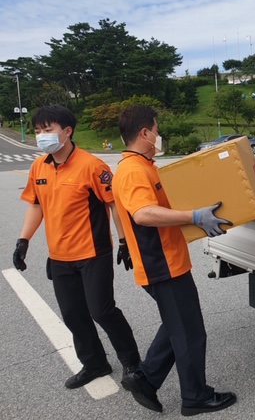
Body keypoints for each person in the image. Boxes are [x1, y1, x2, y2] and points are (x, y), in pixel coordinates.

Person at [113, 105, 236, 416]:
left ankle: (145, 379)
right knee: (189, 331)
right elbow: (143, 213)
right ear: (144, 133)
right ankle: (195, 397)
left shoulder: (145, 165)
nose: (159, 135)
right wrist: (194, 217)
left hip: (167, 260)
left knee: (178, 324)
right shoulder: (133, 170)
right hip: (161, 264)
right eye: (156, 129)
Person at [12, 105, 141, 389]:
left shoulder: (92, 166)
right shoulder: (39, 167)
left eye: (48, 130)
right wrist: (23, 241)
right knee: (73, 314)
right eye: (38, 130)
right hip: (59, 256)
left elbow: (114, 204)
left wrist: (124, 242)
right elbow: (36, 205)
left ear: (67, 131)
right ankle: (94, 363)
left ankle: (132, 361)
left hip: (93, 253)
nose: (41, 136)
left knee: (102, 311)